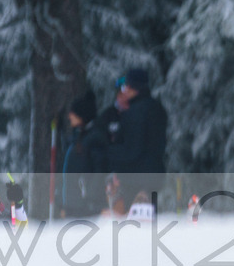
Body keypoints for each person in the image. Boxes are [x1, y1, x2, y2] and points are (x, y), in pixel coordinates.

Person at [107, 67, 168, 209]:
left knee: (136, 223)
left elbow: (132, 149)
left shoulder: (134, 112)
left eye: (127, 85)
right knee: (149, 218)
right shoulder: (157, 107)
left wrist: (110, 152)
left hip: (135, 178)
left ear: (135, 87)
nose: (124, 89)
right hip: (154, 174)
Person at [60, 90, 108, 218]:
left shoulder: (95, 138)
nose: (69, 116)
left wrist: (90, 198)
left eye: (73, 112)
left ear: (82, 115)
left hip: (86, 206)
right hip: (74, 204)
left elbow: (100, 171)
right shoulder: (79, 135)